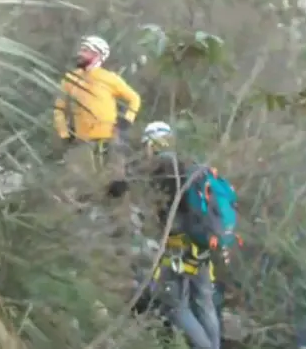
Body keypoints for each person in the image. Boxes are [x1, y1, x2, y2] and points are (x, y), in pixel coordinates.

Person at [133, 120, 240, 349]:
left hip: (178, 248)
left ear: (152, 144)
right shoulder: (190, 166)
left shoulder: (161, 170)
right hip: (203, 244)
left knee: (175, 306)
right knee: (203, 302)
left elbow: (159, 210)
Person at [53, 35, 141, 199]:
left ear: (97, 55)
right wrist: (64, 133)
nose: (80, 53)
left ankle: (118, 211)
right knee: (81, 184)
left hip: (109, 136)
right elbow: (59, 108)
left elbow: (134, 98)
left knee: (117, 183)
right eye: (81, 49)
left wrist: (128, 119)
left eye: (85, 50)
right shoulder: (71, 78)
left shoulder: (109, 78)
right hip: (82, 139)